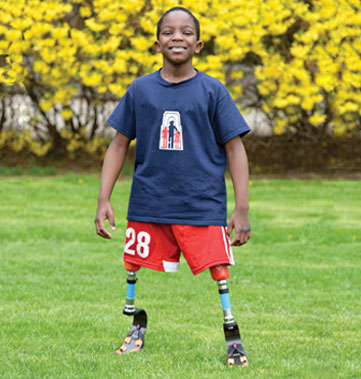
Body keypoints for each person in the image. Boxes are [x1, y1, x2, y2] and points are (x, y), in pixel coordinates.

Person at [94, 6, 251, 367]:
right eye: (168, 32)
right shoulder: (140, 90)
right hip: (150, 201)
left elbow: (235, 147)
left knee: (218, 270)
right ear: (156, 43)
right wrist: (104, 199)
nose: (176, 37)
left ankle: (232, 333)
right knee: (132, 263)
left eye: (185, 32)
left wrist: (241, 207)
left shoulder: (212, 90)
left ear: (198, 44)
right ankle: (134, 323)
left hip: (201, 203)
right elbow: (119, 144)